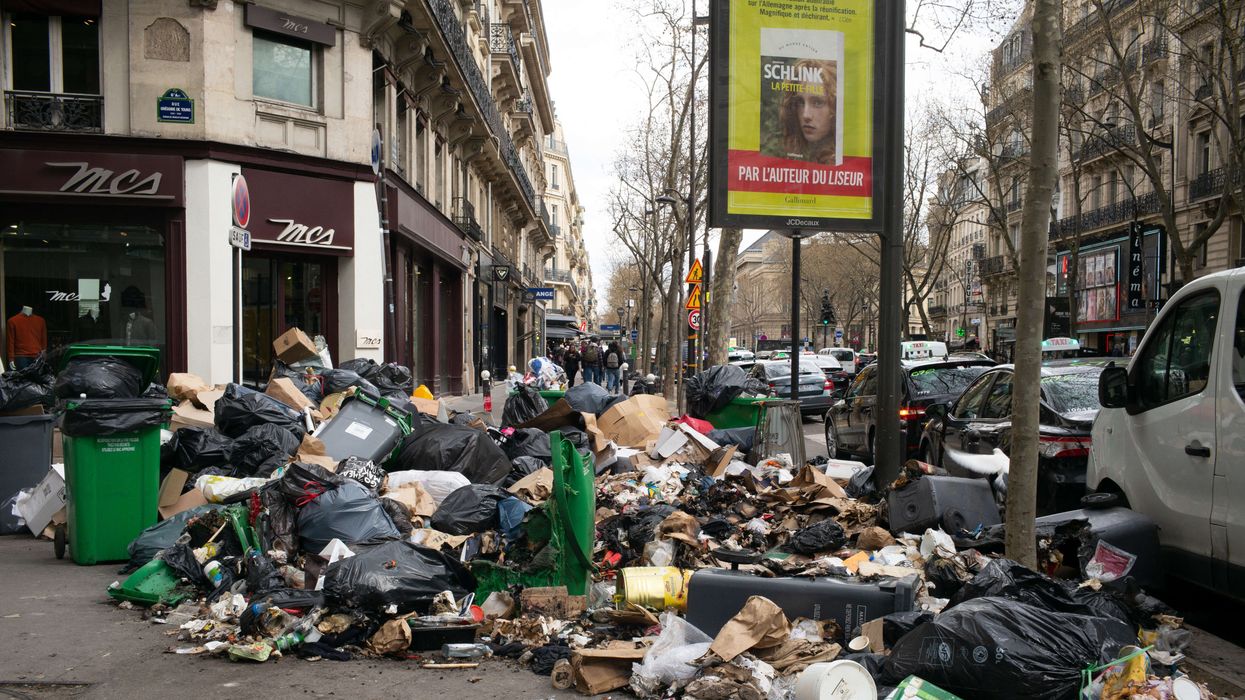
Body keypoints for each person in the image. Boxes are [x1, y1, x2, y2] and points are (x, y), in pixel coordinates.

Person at [781, 59, 838, 165]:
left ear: (836, 105)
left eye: (817, 103)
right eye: (800, 102)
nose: (806, 115)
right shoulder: (797, 155)